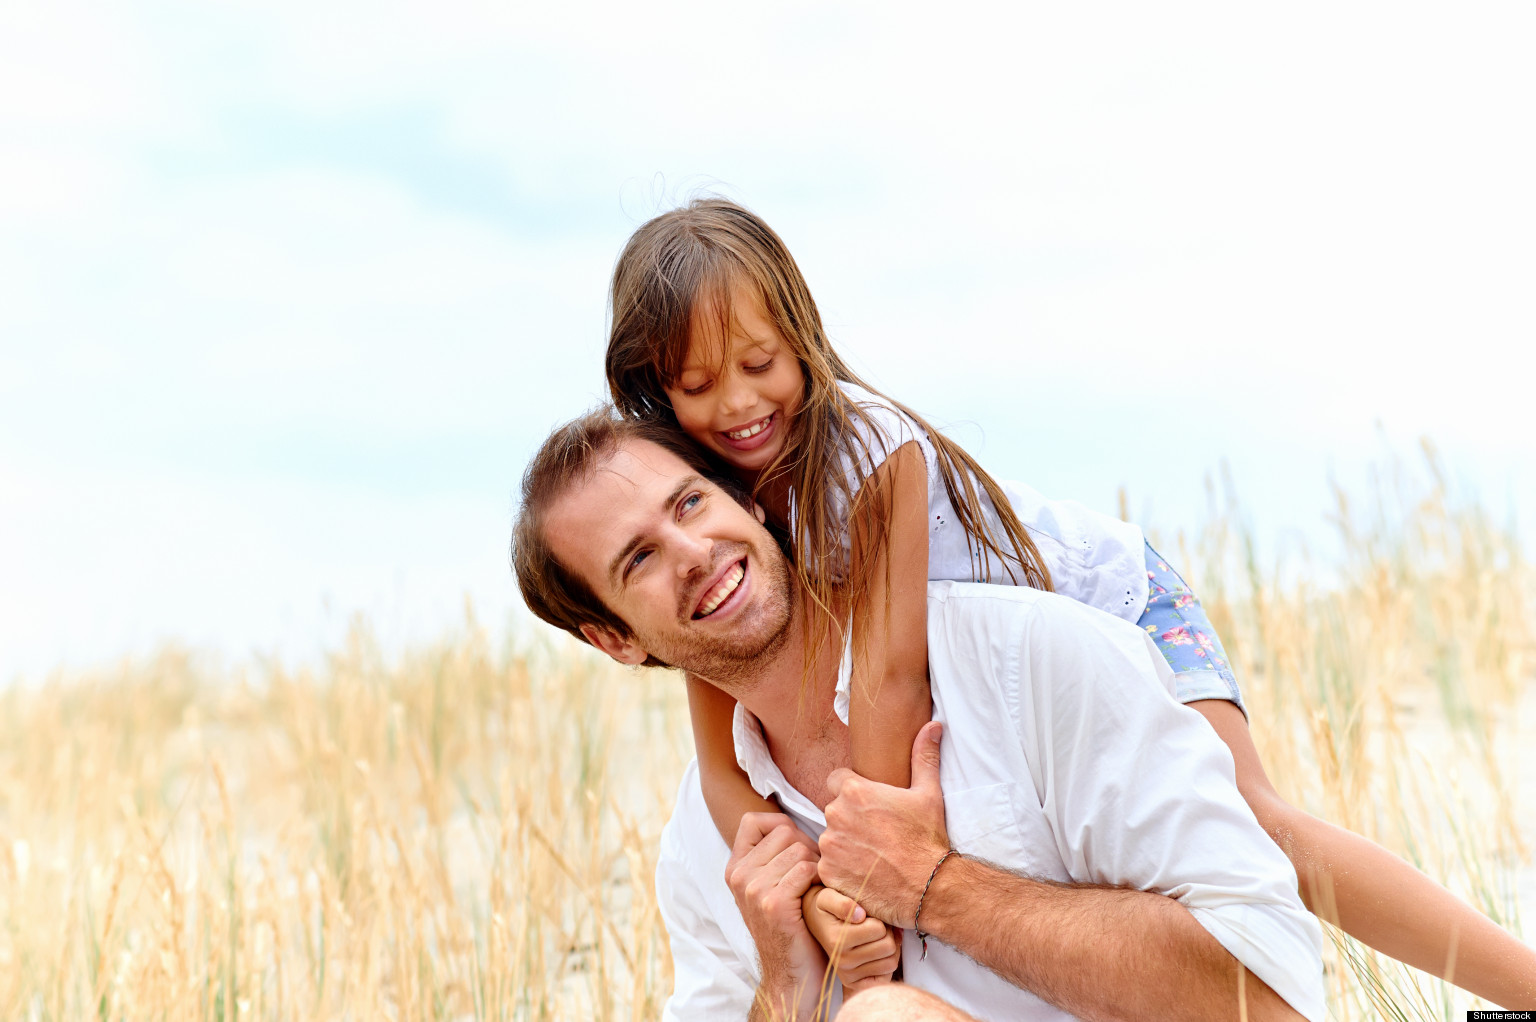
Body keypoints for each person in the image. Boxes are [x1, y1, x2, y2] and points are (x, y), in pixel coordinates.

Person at [602, 198, 1536, 1005]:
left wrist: (878, 864)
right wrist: (815, 899)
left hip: (1107, 599)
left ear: (802, 335)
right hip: (1016, 680)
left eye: (760, 362)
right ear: (655, 391)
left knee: (1259, 823)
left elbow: (889, 677)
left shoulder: (868, 446)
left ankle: (1521, 988)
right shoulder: (703, 512)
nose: (738, 403)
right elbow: (722, 764)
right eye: (698, 385)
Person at [510, 410, 1325, 1021]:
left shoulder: (1028, 659)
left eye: (690, 504)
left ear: (750, 503)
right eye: (639, 558)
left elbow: (1272, 999)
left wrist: (936, 887)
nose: (693, 554)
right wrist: (787, 986)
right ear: (614, 639)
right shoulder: (706, 846)